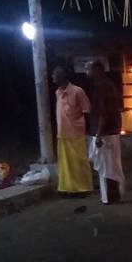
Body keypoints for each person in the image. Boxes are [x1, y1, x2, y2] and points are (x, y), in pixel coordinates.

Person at [87, 62, 125, 204]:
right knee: (109, 166)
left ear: (96, 70)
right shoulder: (103, 85)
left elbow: (104, 113)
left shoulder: (103, 87)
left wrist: (98, 134)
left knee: (107, 167)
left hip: (106, 133)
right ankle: (111, 196)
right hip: (107, 131)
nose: (86, 71)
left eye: (88, 68)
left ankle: (110, 197)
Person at [53, 66, 92, 196]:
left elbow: (87, 111)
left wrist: (88, 131)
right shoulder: (58, 92)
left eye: (55, 74)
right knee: (66, 164)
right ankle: (67, 188)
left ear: (62, 76)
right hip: (62, 133)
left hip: (76, 133)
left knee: (79, 162)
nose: (53, 77)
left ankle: (83, 188)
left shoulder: (77, 91)